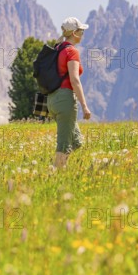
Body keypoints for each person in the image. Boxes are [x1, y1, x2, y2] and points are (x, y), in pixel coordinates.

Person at [47, 17, 91, 169]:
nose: (83, 34)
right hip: (65, 100)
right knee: (64, 145)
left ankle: (59, 168)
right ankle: (55, 175)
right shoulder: (71, 51)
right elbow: (74, 80)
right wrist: (84, 106)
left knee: (76, 141)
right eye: (81, 31)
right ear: (74, 33)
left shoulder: (57, 48)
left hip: (52, 100)